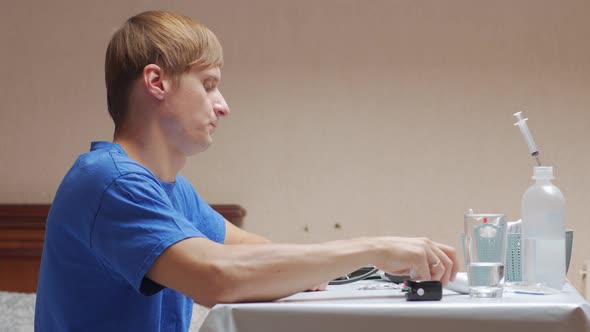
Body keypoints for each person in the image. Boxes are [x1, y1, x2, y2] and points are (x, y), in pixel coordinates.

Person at [34, 10, 458, 331]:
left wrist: (340, 270)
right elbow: (216, 277)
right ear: (156, 82)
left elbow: (246, 250)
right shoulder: (109, 182)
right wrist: (375, 248)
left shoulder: (171, 191)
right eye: (209, 84)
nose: (223, 105)